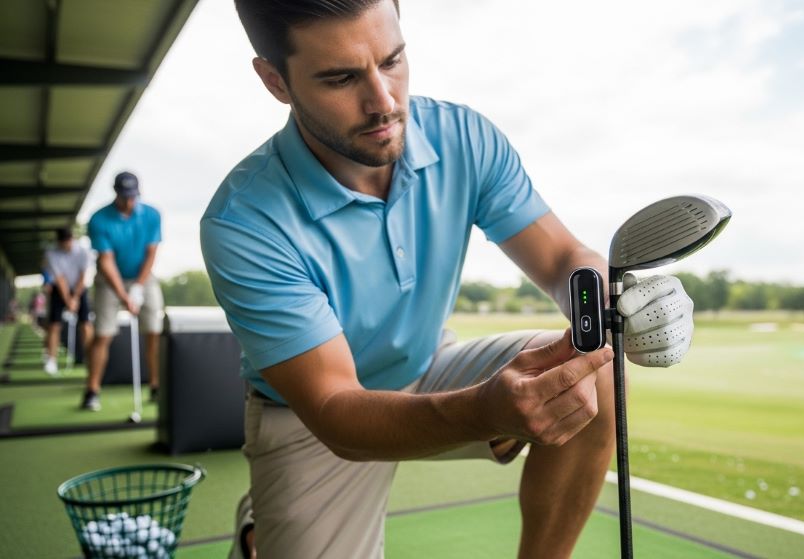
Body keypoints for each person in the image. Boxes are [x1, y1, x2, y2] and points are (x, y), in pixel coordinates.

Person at [203, 1, 695, 558]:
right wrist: (485, 410)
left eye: (392, 61)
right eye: (341, 78)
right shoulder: (243, 220)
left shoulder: (463, 136)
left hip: (426, 366)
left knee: (589, 377)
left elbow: (561, 258)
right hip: (314, 421)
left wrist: (615, 297)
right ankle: (262, 536)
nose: (384, 103)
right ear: (275, 81)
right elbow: (336, 409)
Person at [83, 172, 164, 411]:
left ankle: (156, 386)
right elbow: (106, 262)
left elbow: (151, 253)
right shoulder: (99, 219)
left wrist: (138, 287)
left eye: (133, 196)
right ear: (116, 193)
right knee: (103, 334)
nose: (130, 202)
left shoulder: (151, 214)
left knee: (154, 331)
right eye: (124, 196)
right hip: (109, 281)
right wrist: (124, 295)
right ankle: (92, 390)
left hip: (143, 276)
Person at [42, 227, 94, 376]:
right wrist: (68, 300)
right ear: (58, 242)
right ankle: (51, 360)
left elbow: (83, 276)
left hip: (80, 287)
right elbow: (60, 279)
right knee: (54, 324)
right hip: (60, 290)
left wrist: (76, 298)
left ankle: (90, 358)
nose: (66, 245)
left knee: (86, 324)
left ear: (73, 239)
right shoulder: (51, 254)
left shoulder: (84, 252)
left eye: (68, 241)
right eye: (63, 242)